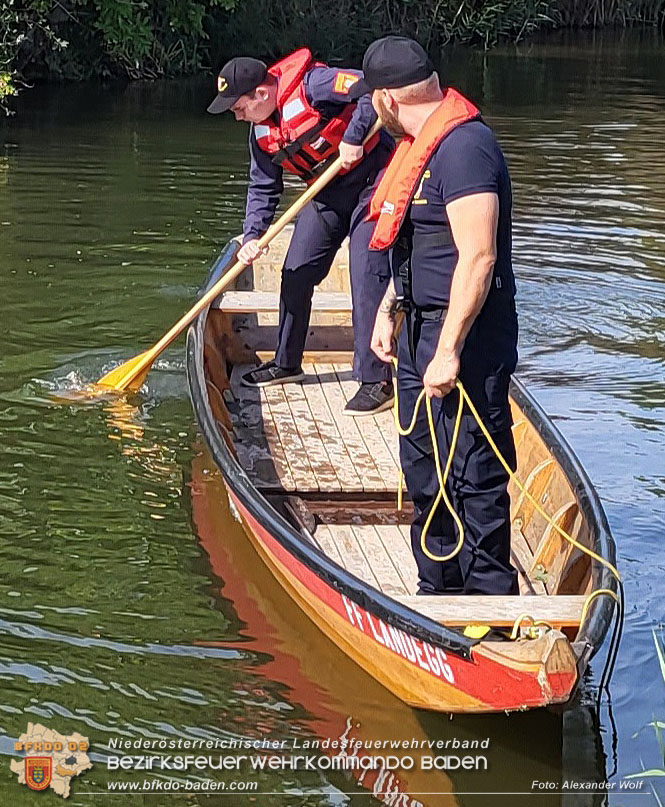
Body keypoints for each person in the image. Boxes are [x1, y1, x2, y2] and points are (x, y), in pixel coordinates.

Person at [353, 36, 519, 594]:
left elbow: (478, 256)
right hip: (418, 329)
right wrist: (389, 309)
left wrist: (448, 350)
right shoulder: (418, 147)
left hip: (466, 338)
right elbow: (416, 244)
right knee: (424, 470)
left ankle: (491, 611)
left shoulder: (465, 148)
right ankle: (438, 590)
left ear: (387, 101)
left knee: (473, 473)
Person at [207, 49, 395, 415]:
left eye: (239, 106)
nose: (237, 114)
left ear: (261, 94)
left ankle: (376, 381)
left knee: (366, 272)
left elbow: (371, 88)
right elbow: (263, 186)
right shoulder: (260, 132)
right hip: (327, 193)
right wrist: (252, 235)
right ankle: (286, 363)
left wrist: (355, 136)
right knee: (295, 271)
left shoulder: (316, 86)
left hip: (374, 181)